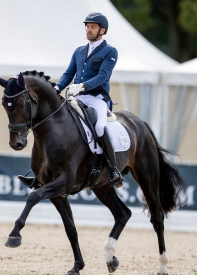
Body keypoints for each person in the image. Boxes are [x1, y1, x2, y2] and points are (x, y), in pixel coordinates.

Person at [19, 12, 123, 188]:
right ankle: (41, 174)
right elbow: (68, 74)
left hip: (96, 98)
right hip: (77, 97)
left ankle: (113, 169)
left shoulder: (110, 51)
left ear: (102, 30)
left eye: (93, 27)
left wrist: (82, 86)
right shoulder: (79, 51)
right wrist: (57, 88)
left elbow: (103, 76)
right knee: (56, 122)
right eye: (87, 26)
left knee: (98, 127)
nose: (88, 30)